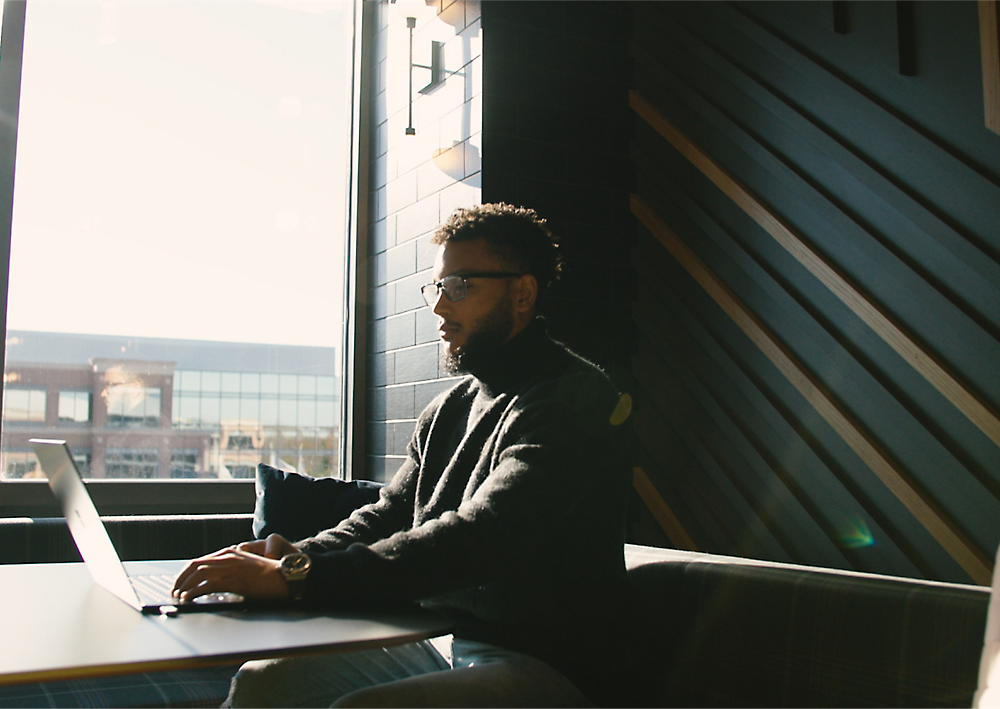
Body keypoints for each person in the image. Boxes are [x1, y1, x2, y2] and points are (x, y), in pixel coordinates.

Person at [172, 203, 640, 709]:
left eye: (459, 286)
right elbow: (389, 514)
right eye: (437, 288)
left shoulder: (573, 400)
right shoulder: (449, 408)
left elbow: (482, 538)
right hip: (448, 642)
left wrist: (298, 578)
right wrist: (290, 556)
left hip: (552, 665)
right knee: (265, 683)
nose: (439, 307)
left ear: (522, 292)